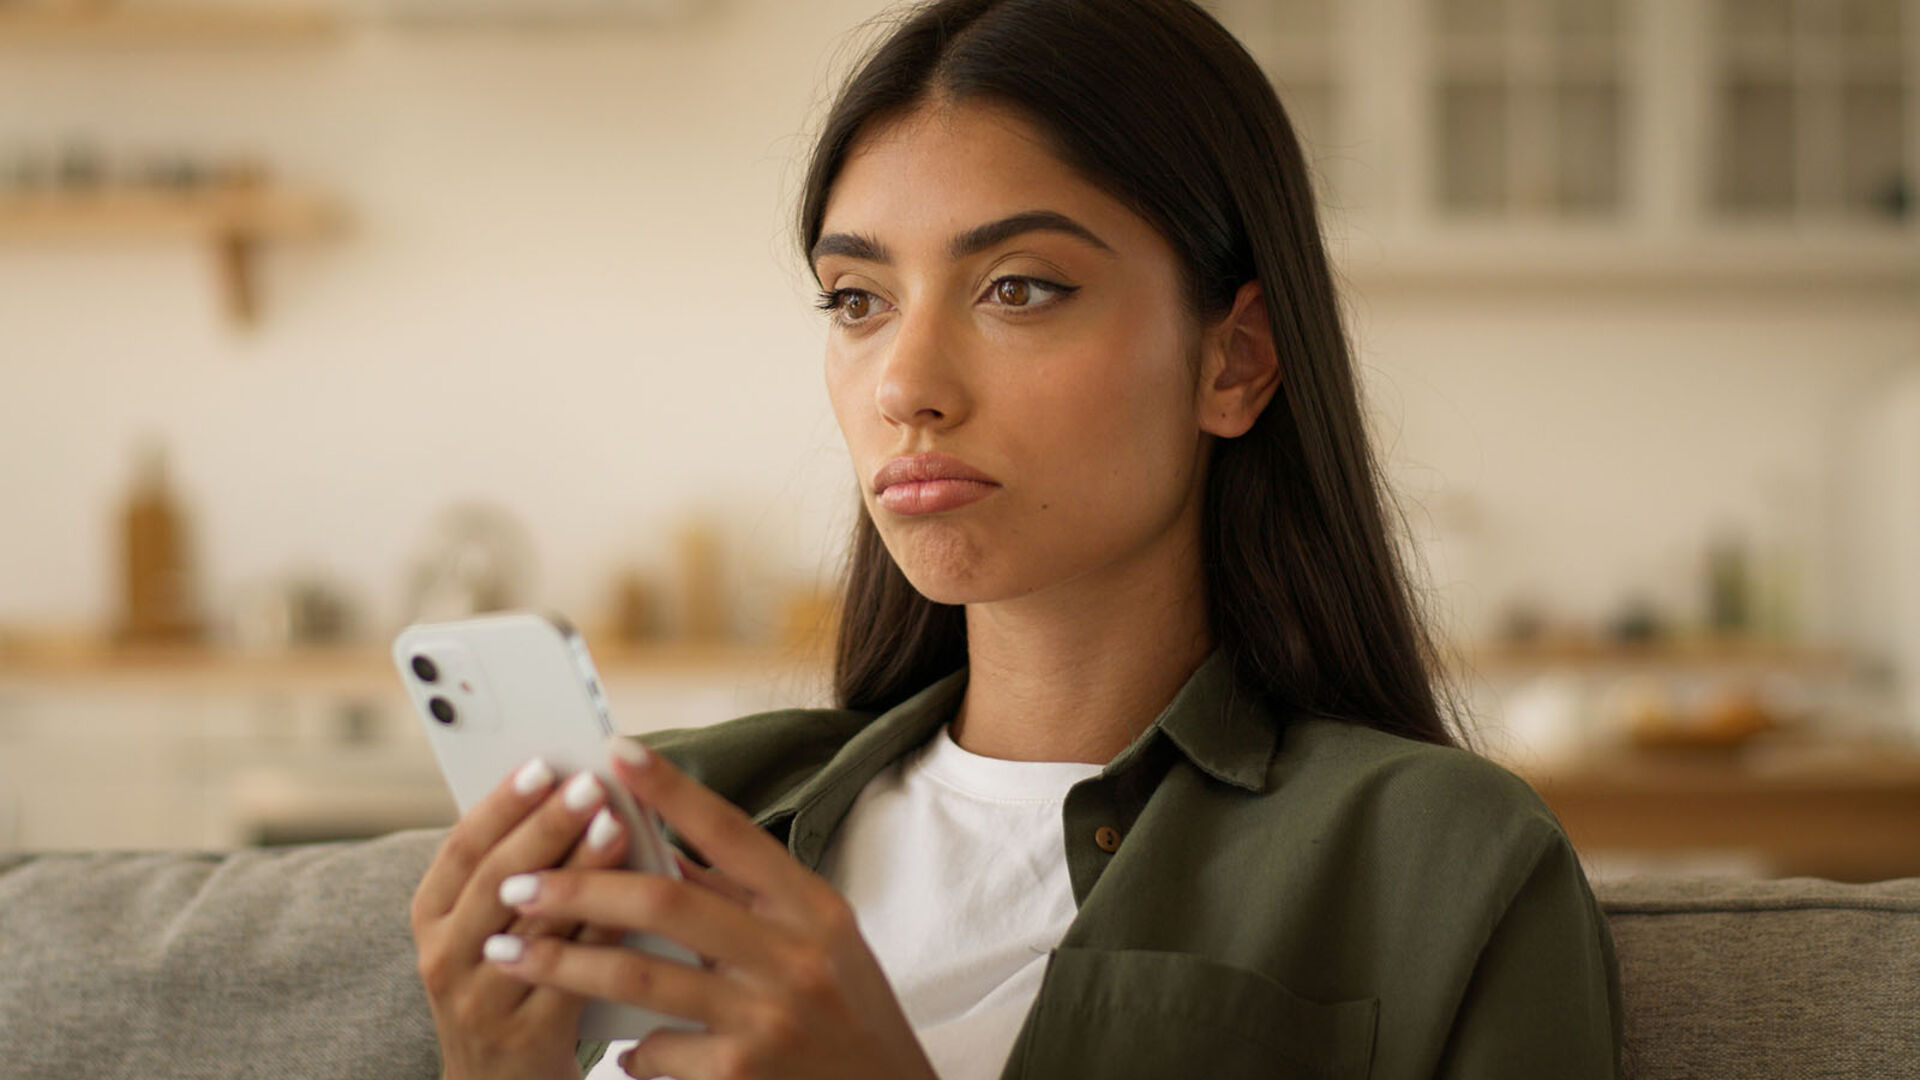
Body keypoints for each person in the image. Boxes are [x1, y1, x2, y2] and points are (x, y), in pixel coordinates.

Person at [409, 0, 1625, 1078]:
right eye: (858, 301)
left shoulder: (1439, 861)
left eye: (1019, 287)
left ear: (1234, 360)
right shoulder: (681, 823)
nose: (907, 385)